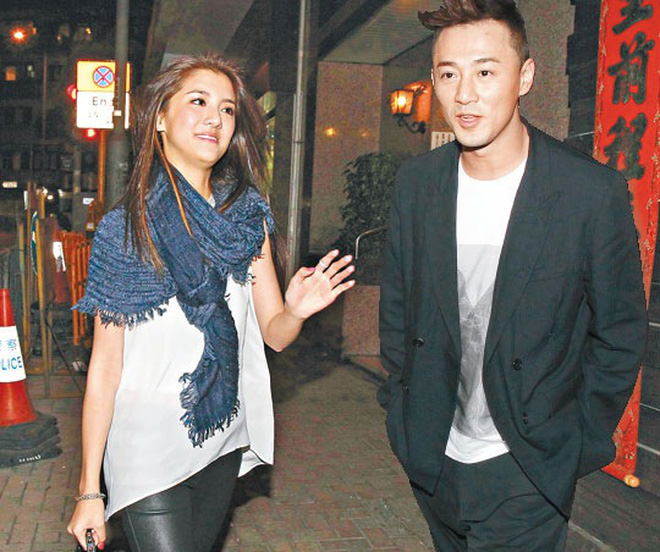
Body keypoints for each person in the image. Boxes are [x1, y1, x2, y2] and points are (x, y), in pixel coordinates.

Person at [378, 1, 647, 550]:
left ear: (524, 77)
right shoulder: (418, 184)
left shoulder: (588, 192)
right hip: (434, 458)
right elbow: (399, 310)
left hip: (528, 467)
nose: (464, 94)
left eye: (485, 71)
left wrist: (576, 440)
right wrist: (401, 415)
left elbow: (619, 332)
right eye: (448, 74)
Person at [67, 53, 355, 551]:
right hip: (145, 445)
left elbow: (275, 334)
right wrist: (90, 489)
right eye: (198, 101)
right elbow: (106, 367)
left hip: (219, 435)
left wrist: (296, 311)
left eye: (226, 109)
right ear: (160, 117)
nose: (214, 119)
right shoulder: (126, 230)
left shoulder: (246, 217)